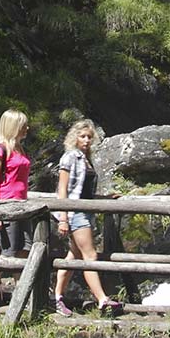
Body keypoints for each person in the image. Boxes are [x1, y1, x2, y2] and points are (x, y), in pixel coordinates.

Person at [51, 119, 122, 315]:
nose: (86, 140)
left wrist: (104, 198)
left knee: (73, 257)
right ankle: (102, 299)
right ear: (74, 138)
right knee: (90, 255)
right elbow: (63, 189)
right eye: (82, 136)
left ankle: (57, 297)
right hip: (75, 213)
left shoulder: (86, 159)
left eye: (89, 137)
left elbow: (84, 192)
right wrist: (63, 217)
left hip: (85, 211)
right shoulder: (70, 157)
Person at [0, 109, 36, 307]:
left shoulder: (19, 149)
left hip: (22, 208)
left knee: (23, 252)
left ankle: (22, 296)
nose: (26, 128)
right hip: (7, 207)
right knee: (8, 253)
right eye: (22, 125)